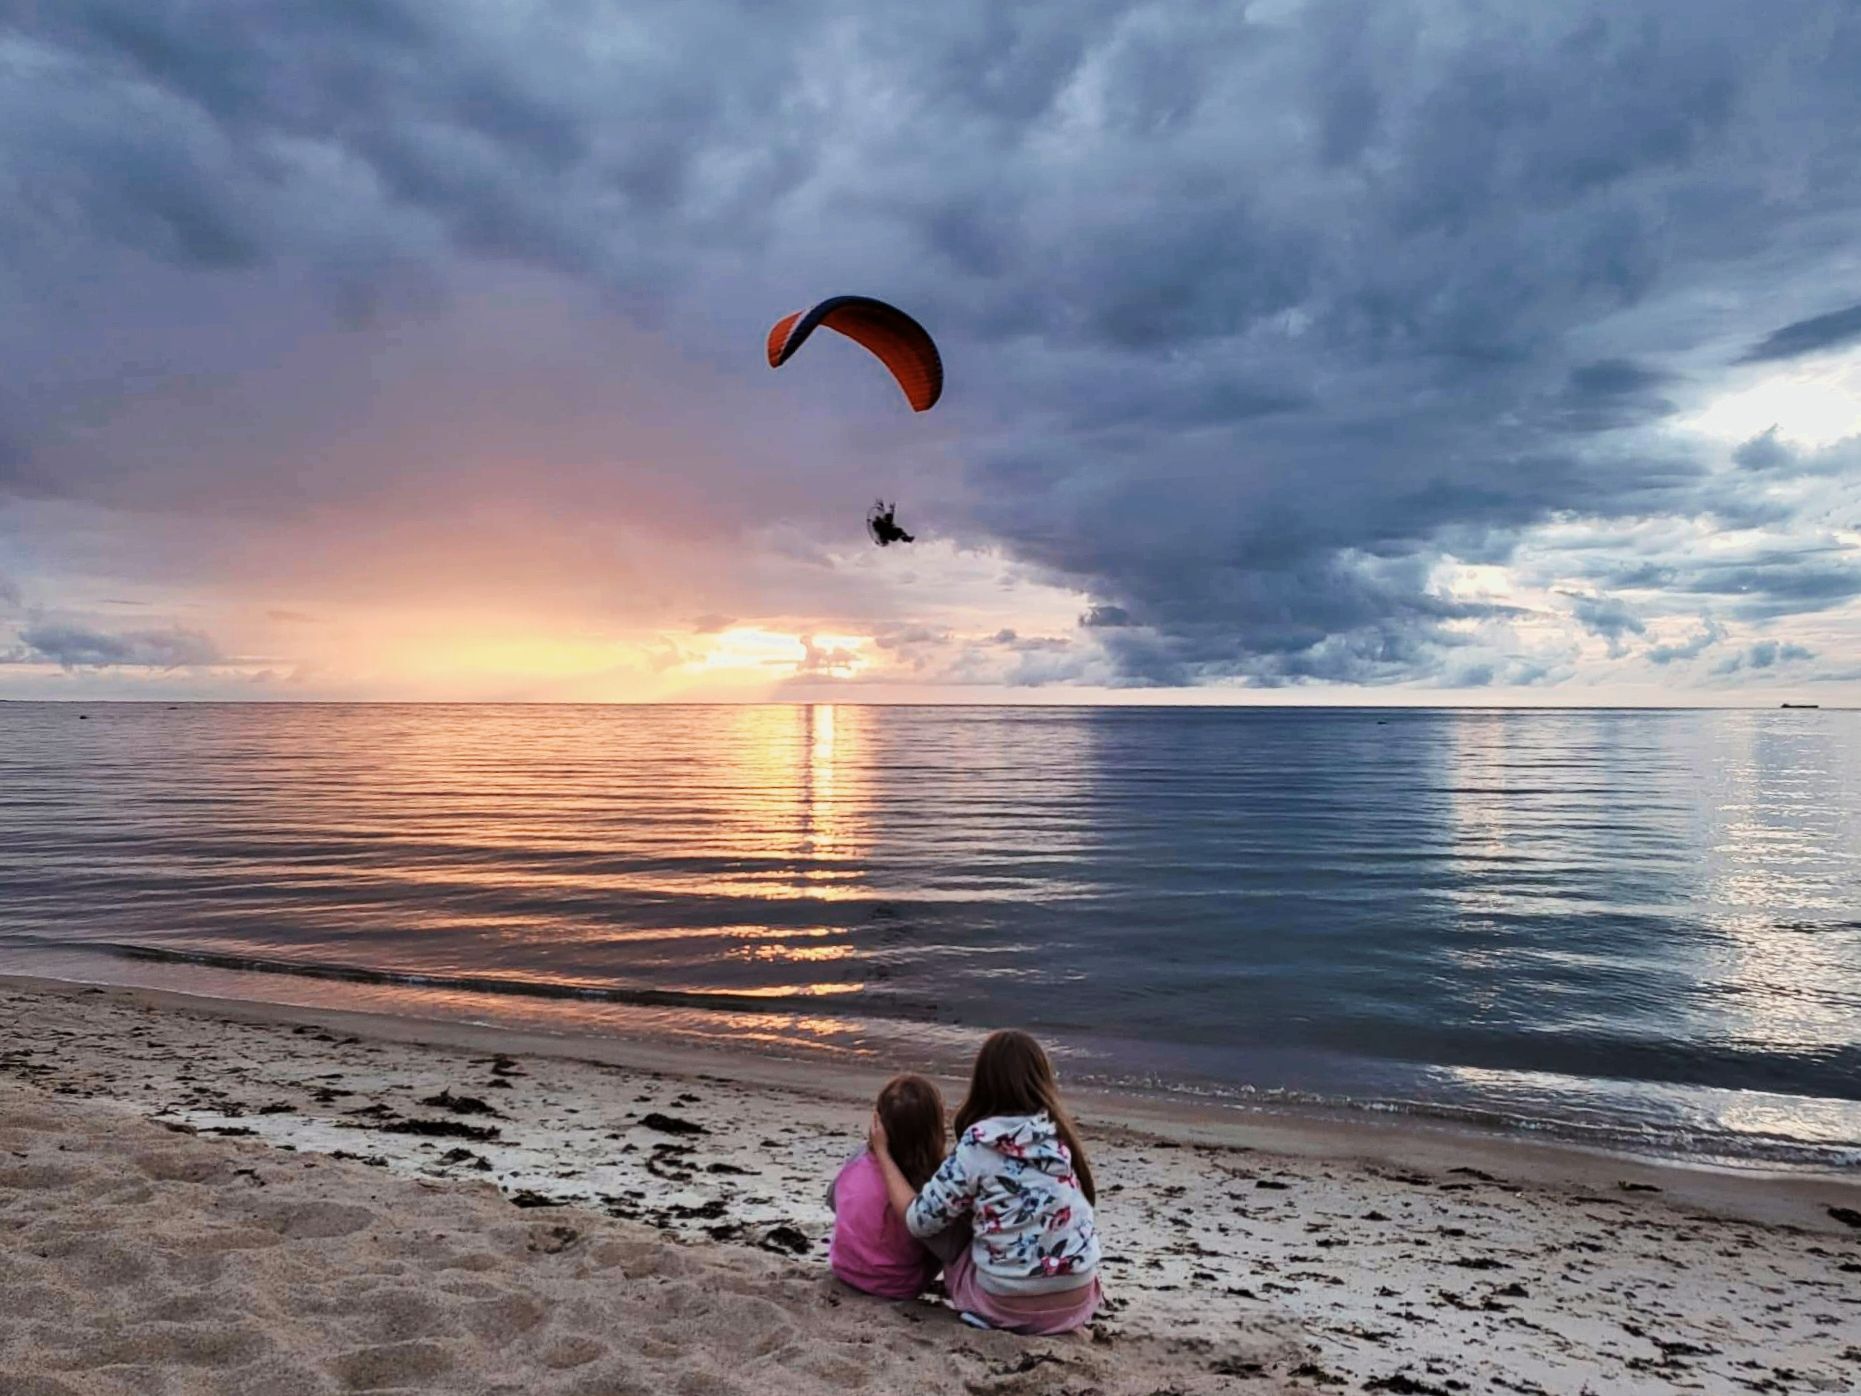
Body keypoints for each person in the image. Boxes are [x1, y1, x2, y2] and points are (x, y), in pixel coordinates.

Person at [869, 1031, 1101, 1335]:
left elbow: (919, 1221)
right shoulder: (1058, 1137)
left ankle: (992, 1309)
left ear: (982, 1082)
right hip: (1076, 1300)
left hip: (1003, 1303)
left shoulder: (979, 1143)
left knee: (956, 1239)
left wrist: (883, 1153)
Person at [827, 1074, 964, 1299]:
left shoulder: (858, 1158)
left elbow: (834, 1201)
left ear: (878, 1123)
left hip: (844, 1268)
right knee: (951, 1230)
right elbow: (950, 1249)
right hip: (897, 1285)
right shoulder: (926, 1183)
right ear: (934, 1129)